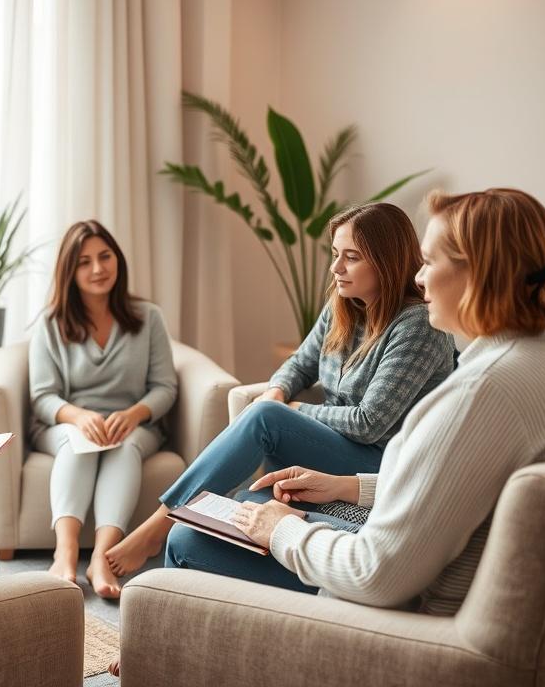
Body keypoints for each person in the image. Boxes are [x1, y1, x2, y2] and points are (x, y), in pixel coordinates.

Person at [166, 188, 545, 613]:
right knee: (251, 505)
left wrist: (283, 529)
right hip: (442, 572)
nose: (418, 277)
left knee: (194, 540)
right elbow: (463, 482)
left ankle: (156, 627)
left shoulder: (480, 393)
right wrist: (347, 487)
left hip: (404, 617)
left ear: (478, 275)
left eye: (428, 262)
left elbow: (374, 575)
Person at [106, 202, 456, 576]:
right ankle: (185, 544)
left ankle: (156, 526)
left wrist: (289, 411)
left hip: (378, 466)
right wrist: (278, 389)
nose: (336, 268)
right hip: (337, 450)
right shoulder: (345, 305)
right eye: (335, 254)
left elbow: (369, 422)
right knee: (231, 514)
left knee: (267, 419)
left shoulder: (417, 324)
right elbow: (300, 364)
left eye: (351, 258)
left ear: (386, 262)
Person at [29, 220, 178, 598]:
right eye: (84, 262)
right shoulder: (50, 323)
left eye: (105, 256)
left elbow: (165, 387)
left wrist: (132, 415)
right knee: (79, 442)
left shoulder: (148, 318)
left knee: (124, 445)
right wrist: (79, 416)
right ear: (69, 271)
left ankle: (102, 557)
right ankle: (64, 553)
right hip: (67, 423)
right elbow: (42, 396)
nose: (98, 269)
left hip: (134, 426)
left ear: (118, 260)